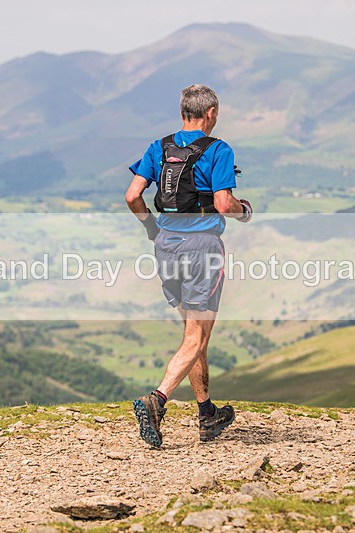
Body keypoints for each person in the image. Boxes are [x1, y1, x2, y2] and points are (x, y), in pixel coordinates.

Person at [125, 84, 252, 448]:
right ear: (210, 113)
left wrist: (151, 226)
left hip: (165, 245)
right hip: (201, 248)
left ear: (183, 112)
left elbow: (133, 195)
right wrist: (245, 211)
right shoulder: (219, 150)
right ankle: (156, 400)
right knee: (197, 336)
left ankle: (207, 414)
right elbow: (224, 205)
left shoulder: (159, 147)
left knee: (193, 334)